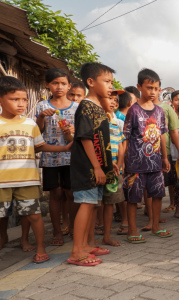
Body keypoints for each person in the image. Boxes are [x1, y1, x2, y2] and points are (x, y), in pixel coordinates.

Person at [0, 76, 72, 262]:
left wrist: (64, 148)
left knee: (34, 215)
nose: (21, 104)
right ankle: (3, 238)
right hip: (2, 182)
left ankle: (40, 247)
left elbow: (40, 146)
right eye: (15, 99)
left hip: (28, 180)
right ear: (1, 99)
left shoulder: (30, 124)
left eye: (24, 100)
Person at [68, 62, 115, 266]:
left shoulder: (97, 106)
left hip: (96, 167)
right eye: (106, 81)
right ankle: (76, 252)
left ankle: (86, 245)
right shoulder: (86, 106)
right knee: (86, 206)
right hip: (87, 167)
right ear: (91, 82)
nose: (111, 86)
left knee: (91, 205)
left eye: (111, 82)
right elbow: (86, 138)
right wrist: (96, 167)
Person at [123, 68, 171, 243]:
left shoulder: (159, 111)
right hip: (135, 164)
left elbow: (162, 135)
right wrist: (123, 161)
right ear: (139, 87)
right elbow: (126, 138)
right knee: (133, 197)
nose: (153, 92)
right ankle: (132, 230)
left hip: (155, 162)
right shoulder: (133, 111)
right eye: (149, 87)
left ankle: (156, 226)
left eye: (156, 88)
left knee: (158, 195)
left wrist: (165, 158)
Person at [35, 68, 77, 246]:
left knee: (71, 193)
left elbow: (80, 134)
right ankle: (57, 232)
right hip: (50, 157)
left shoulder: (76, 107)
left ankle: (75, 228)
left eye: (63, 83)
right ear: (47, 85)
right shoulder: (42, 106)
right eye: (55, 83)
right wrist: (41, 118)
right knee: (56, 193)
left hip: (72, 157)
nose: (59, 87)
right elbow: (38, 132)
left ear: (69, 86)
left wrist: (71, 132)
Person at [154, 90, 179, 217]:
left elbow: (173, 133)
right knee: (157, 184)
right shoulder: (139, 109)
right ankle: (153, 214)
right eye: (176, 99)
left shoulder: (167, 110)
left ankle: (178, 204)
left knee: (175, 180)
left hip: (170, 152)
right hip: (159, 152)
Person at [101, 95, 126, 246]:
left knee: (110, 203)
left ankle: (107, 236)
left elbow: (122, 144)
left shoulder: (114, 121)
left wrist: (120, 163)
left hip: (116, 170)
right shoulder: (97, 119)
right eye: (109, 98)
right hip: (101, 167)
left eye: (115, 100)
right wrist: (108, 162)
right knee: (96, 204)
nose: (113, 102)